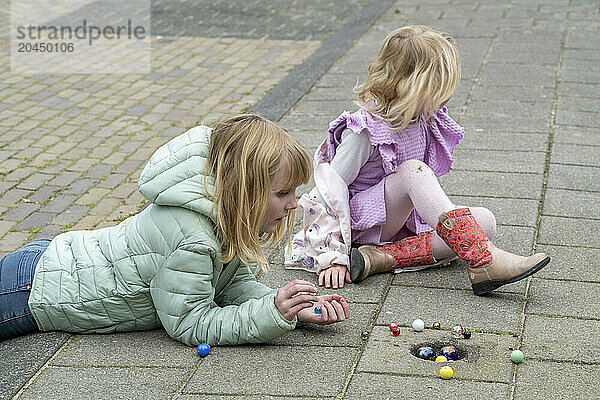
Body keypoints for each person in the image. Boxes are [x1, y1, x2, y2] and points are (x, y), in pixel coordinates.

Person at [0, 114, 350, 344]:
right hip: (37, 289)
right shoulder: (193, 240)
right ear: (247, 191)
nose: (294, 203)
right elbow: (191, 323)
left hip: (54, 260)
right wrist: (269, 314)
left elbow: (229, 285)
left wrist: (289, 308)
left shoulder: (218, 213)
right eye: (283, 192)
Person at [285, 26, 550, 295]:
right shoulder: (365, 131)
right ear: (414, 86)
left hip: (400, 222)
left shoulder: (421, 119)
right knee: (413, 171)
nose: (446, 96)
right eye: (440, 88)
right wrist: (332, 256)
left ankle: (376, 258)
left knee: (485, 222)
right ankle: (484, 261)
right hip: (360, 222)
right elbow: (328, 192)